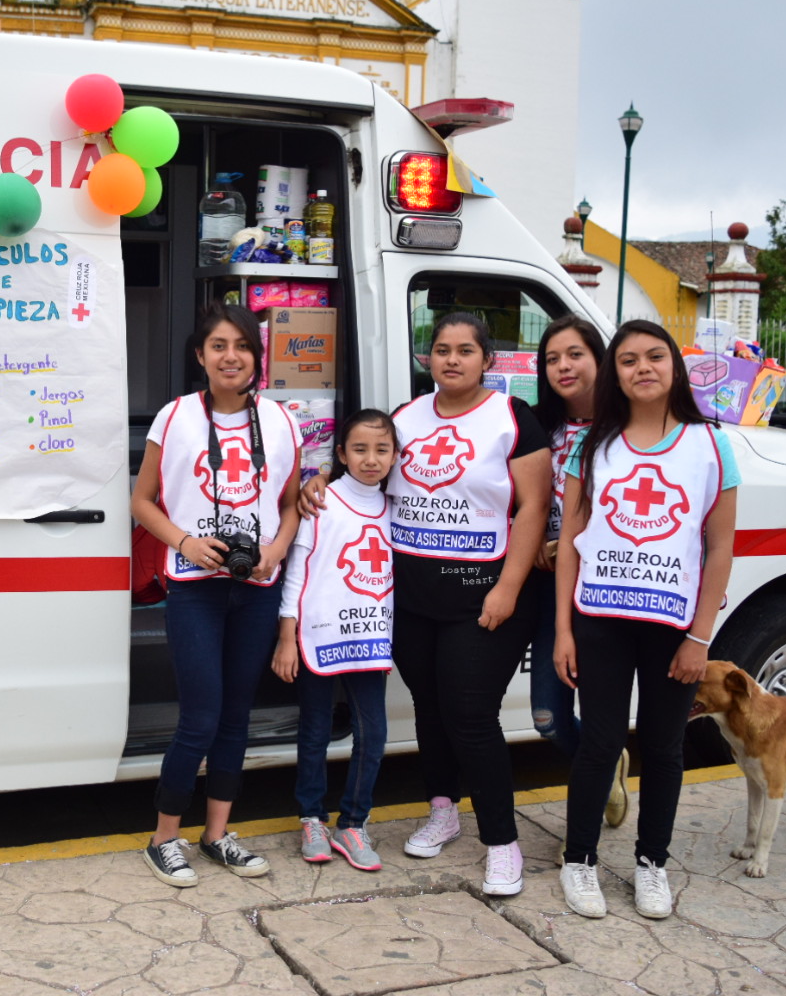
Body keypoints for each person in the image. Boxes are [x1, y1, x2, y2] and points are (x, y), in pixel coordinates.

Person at [302, 311, 551, 897]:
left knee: (470, 716)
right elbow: (365, 471)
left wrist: (508, 587)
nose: (452, 359)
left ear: (488, 359)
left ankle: (502, 844)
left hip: (482, 597)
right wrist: (315, 480)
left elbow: (534, 509)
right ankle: (443, 809)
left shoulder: (512, 419)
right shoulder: (408, 418)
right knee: (430, 707)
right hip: (412, 600)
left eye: (466, 349)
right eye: (441, 349)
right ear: (427, 359)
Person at [554, 320, 739, 921]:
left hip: (672, 629)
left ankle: (650, 863)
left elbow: (719, 548)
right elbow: (572, 543)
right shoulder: (593, 446)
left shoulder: (710, 446)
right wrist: (563, 629)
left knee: (663, 747)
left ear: (675, 368)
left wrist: (699, 639)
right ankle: (578, 860)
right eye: (628, 360)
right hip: (600, 620)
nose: (642, 368)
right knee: (601, 743)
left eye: (655, 356)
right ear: (616, 374)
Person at [130, 304, 302, 888]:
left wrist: (278, 547)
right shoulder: (174, 417)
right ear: (199, 356)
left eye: (243, 346)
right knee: (200, 717)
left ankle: (216, 833)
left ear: (258, 357)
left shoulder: (282, 419)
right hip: (195, 589)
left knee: (235, 717)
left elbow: (289, 502)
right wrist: (185, 540)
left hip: (256, 588)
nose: (232, 356)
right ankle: (163, 839)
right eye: (219, 346)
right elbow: (142, 500)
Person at [272, 409, 398, 872]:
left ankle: (354, 821)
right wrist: (287, 636)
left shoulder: (393, 506)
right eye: (360, 449)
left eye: (381, 450)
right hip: (317, 634)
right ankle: (311, 817)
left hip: (369, 637)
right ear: (341, 454)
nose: (370, 459)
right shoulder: (321, 503)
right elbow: (297, 570)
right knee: (315, 730)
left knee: (374, 734)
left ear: (395, 456)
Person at [528, 318, 630, 826]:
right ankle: (607, 763)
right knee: (547, 717)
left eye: (575, 355)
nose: (563, 367)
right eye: (551, 359)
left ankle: (589, 807)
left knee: (603, 707)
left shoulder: (629, 428)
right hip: (548, 585)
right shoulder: (536, 426)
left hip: (608, 588)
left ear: (599, 359)